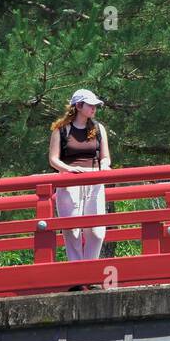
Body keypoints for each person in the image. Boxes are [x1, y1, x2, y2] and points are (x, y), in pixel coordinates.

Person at [48, 89, 112, 261]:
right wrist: (69, 170)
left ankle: (90, 271)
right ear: (78, 106)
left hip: (94, 179)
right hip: (69, 181)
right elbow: (53, 160)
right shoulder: (61, 130)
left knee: (97, 231)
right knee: (72, 230)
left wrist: (104, 166)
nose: (94, 109)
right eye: (90, 105)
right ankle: (76, 275)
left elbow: (105, 157)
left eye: (95, 106)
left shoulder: (99, 129)